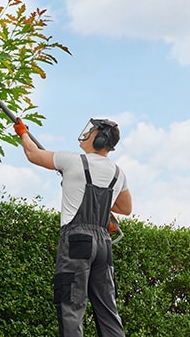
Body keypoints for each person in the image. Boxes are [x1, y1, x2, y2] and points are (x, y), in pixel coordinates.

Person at [14, 117, 132, 337]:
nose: (86, 134)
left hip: (77, 239)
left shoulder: (72, 160)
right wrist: (102, 206)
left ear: (99, 138)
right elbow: (125, 208)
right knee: (108, 309)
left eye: (91, 132)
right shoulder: (118, 173)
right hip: (104, 245)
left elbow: (33, 154)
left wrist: (23, 132)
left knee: (71, 305)